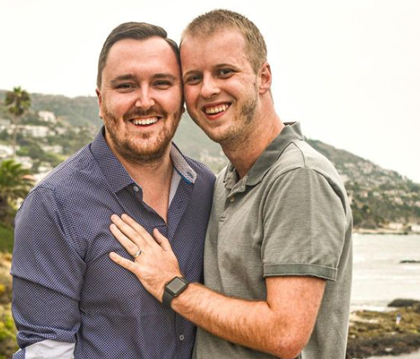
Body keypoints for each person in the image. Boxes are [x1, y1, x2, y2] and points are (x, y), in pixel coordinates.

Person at [109, 9, 353, 359]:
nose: (208, 90)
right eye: (194, 78)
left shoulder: (299, 177)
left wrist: (172, 286)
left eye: (224, 72)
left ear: (263, 77)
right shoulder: (222, 181)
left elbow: (284, 334)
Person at [10, 22, 215, 359]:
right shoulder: (54, 205)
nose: (145, 101)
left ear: (181, 96)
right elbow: (47, 352)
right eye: (126, 85)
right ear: (100, 99)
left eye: (161, 83)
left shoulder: (207, 188)